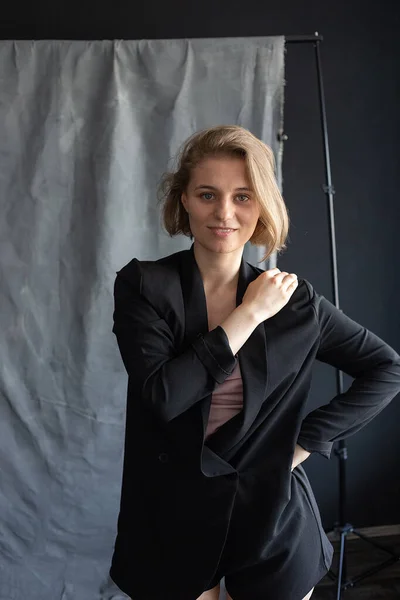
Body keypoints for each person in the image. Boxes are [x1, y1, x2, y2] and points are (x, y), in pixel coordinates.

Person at [109, 125, 400, 600]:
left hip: (270, 523)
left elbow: (388, 368)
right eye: (208, 194)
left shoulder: (294, 300)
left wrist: (303, 444)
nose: (224, 213)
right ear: (185, 199)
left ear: (262, 204)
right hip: (172, 523)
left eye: (243, 196)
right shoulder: (145, 286)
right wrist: (247, 315)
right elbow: (164, 398)